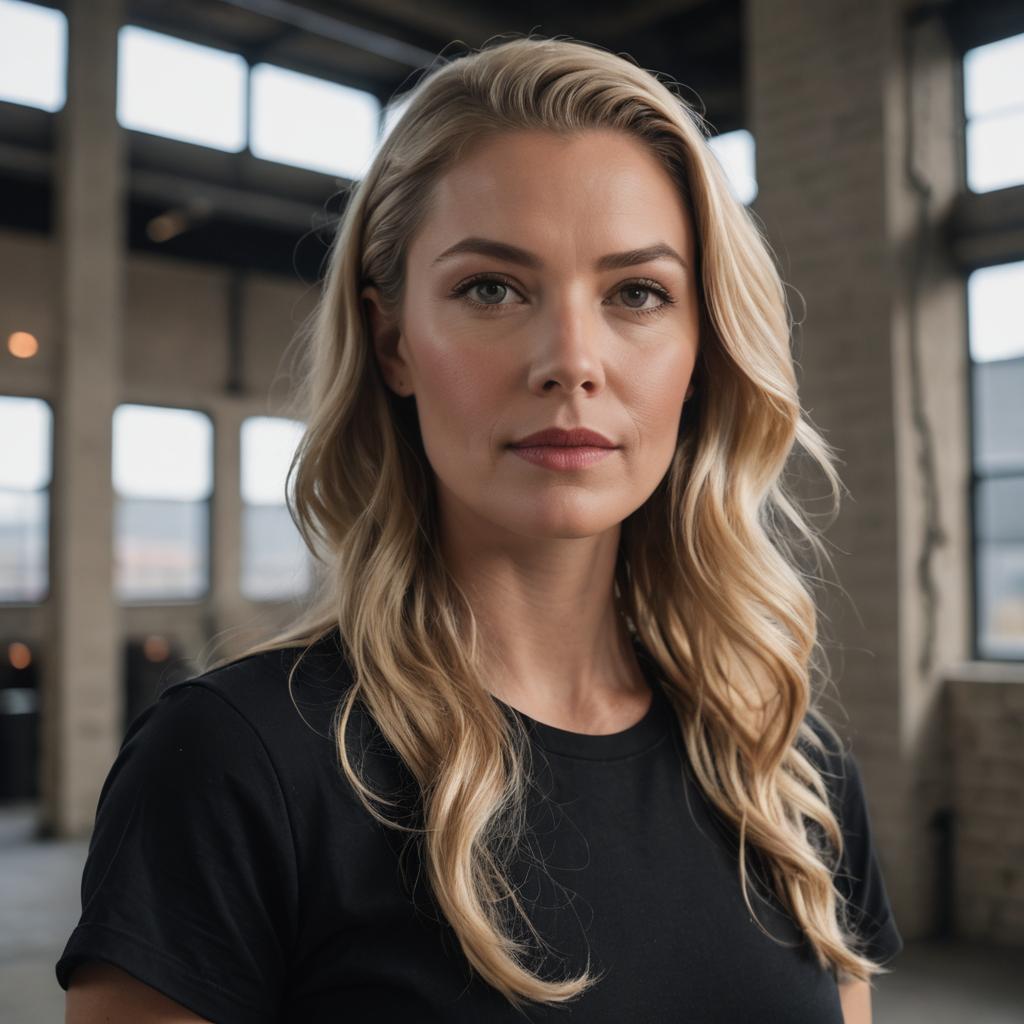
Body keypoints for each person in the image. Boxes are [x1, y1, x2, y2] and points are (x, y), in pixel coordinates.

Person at [58, 34, 902, 1024]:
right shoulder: (236, 766)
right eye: (491, 289)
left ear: (700, 347)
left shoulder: (787, 769)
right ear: (392, 342)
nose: (571, 361)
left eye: (637, 293)